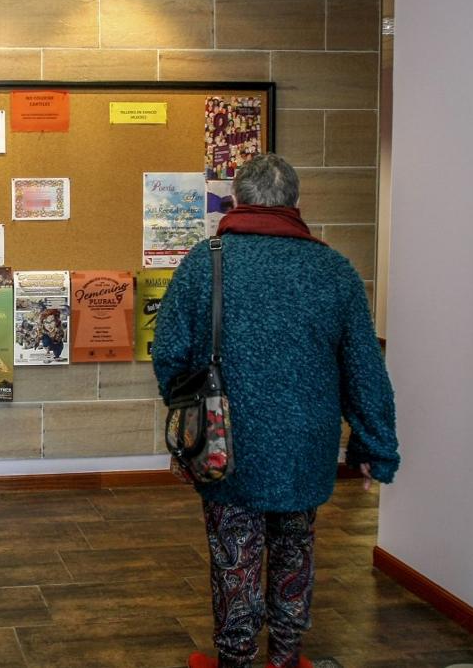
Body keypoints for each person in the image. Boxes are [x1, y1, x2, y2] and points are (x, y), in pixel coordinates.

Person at [151, 154, 400, 668]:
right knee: (295, 551)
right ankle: (286, 658)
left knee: (234, 557)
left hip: (227, 447)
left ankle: (236, 659)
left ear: (237, 201)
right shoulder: (334, 270)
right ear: (296, 204)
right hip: (306, 448)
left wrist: (193, 412)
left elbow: (169, 353)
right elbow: (364, 369)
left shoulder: (206, 262)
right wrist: (375, 447)